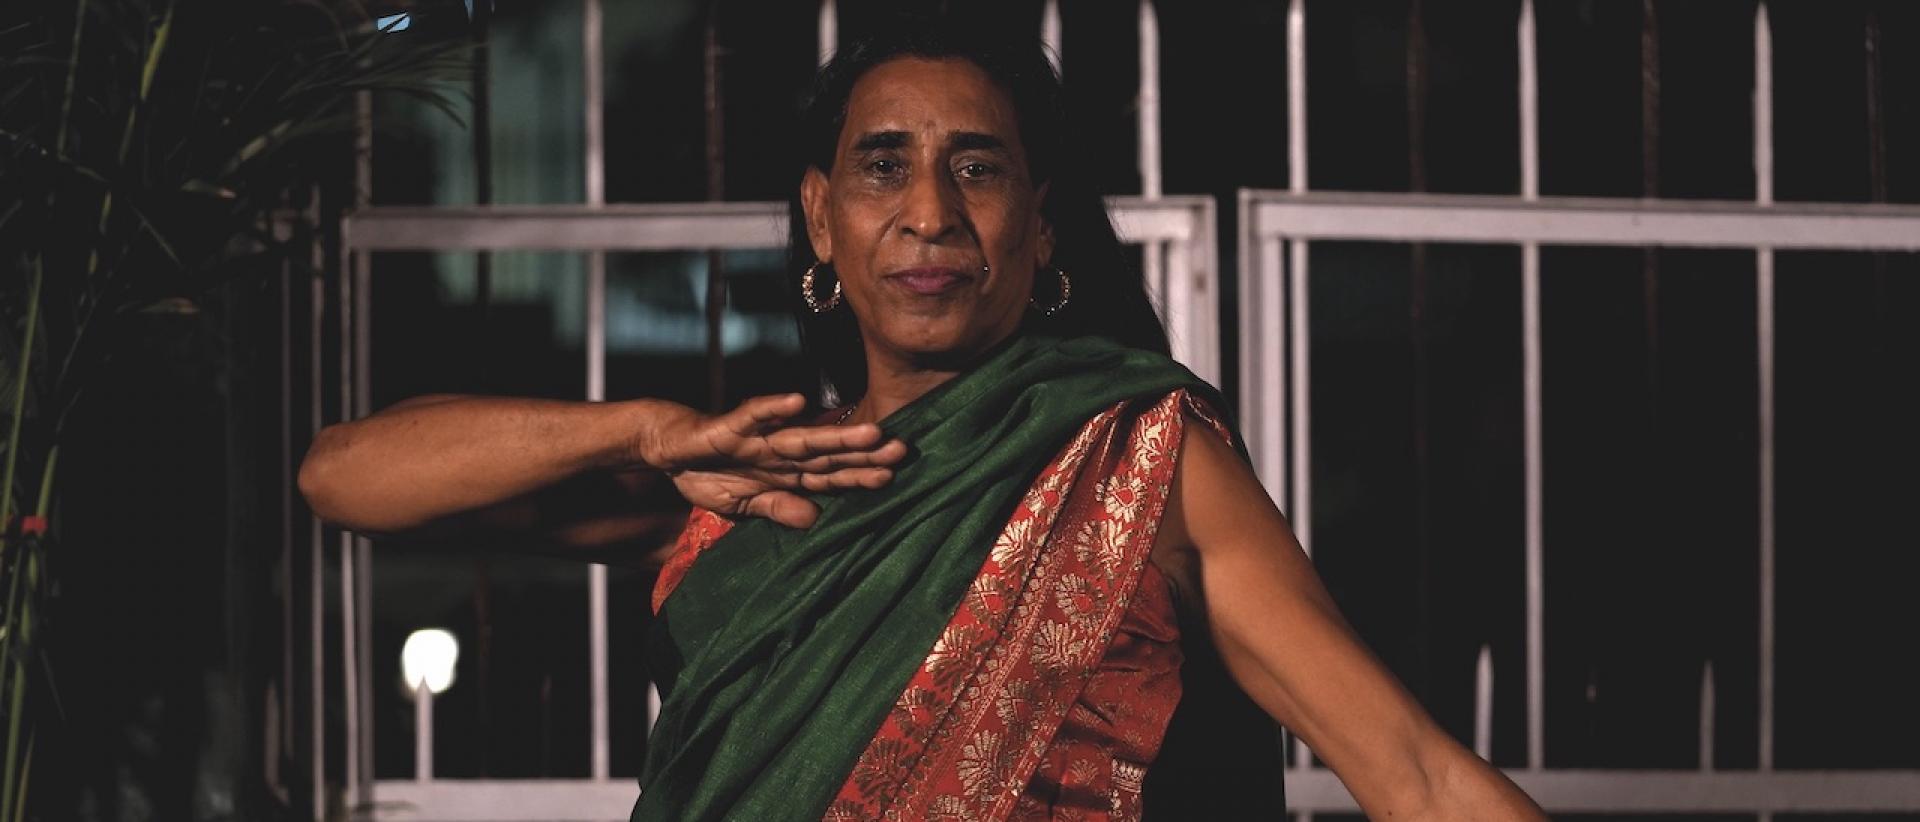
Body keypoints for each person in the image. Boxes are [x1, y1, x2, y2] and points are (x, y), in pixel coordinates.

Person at [298, 20, 1546, 822]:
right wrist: (640, 433)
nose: (933, 213)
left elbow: (1416, 774)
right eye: (883, 164)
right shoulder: (746, 481)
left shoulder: (1136, 461)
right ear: (821, 218)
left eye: (980, 166)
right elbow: (343, 478)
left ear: (1040, 225)